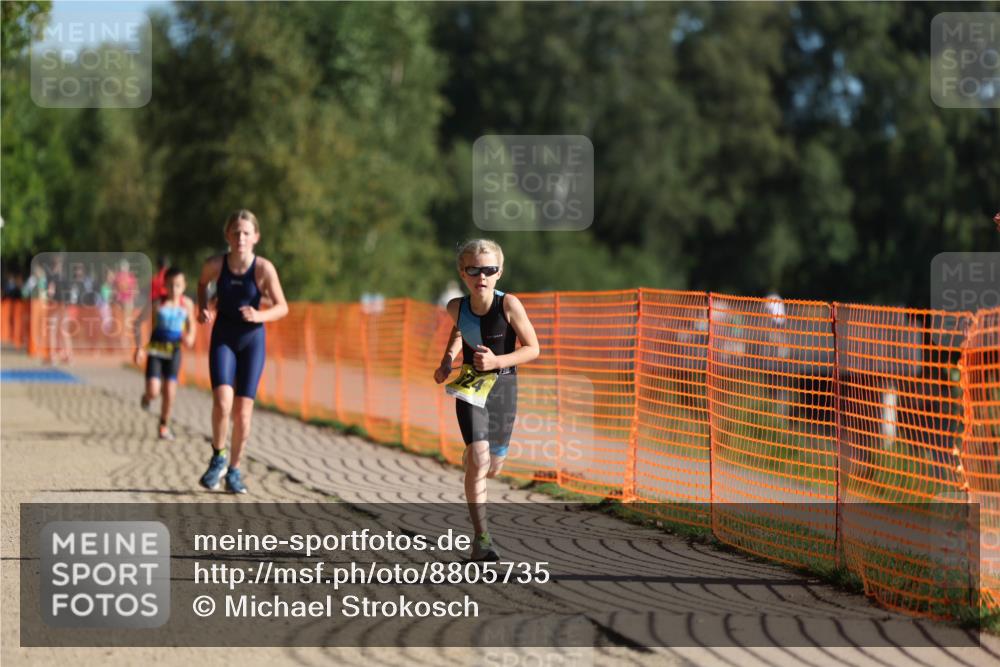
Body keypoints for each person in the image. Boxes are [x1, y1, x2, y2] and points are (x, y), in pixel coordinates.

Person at [433, 239, 540, 560]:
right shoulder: (456, 306)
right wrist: (446, 359)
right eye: (474, 270)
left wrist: (497, 362)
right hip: (470, 386)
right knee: (479, 460)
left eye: (489, 270)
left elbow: (533, 348)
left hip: (504, 387)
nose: (482, 276)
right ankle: (482, 539)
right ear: (462, 273)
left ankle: (476, 461)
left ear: (499, 273)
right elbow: (458, 329)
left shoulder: (509, 305)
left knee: (493, 467)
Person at [196, 209, 288, 494]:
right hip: (223, 336)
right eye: (236, 232)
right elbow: (201, 284)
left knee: (243, 414)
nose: (241, 237)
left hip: (251, 341)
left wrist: (259, 316)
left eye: (247, 233)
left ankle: (234, 471)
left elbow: (282, 307)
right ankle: (218, 456)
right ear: (227, 235)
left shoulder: (263, 269)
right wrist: (202, 307)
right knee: (223, 403)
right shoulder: (215, 265)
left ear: (256, 237)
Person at [134, 267, 197, 440]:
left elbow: (192, 325)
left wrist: (190, 337)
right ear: (164, 286)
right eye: (170, 285)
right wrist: (139, 348)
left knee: (170, 391)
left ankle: (163, 425)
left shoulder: (187, 305)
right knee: (154, 391)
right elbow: (138, 323)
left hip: (175, 351)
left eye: (177, 285)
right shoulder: (156, 303)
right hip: (156, 350)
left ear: (184, 286)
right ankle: (147, 398)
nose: (174, 289)